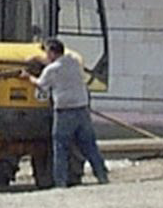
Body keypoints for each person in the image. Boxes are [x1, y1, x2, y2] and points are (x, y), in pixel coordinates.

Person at [29, 36, 108, 187]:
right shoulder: (73, 61)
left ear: (52, 52)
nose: (46, 55)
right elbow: (58, 61)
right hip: (82, 109)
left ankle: (60, 182)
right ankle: (102, 175)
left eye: (47, 52)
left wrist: (29, 78)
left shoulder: (51, 70)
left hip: (64, 112)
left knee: (61, 147)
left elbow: (41, 85)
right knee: (90, 145)